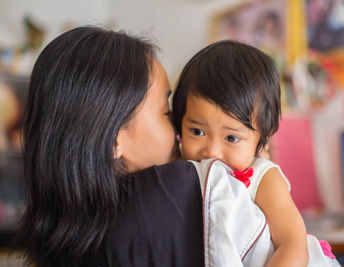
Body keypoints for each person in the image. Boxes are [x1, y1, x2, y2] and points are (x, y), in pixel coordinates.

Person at [14, 26, 204, 267]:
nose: (179, 124)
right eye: (166, 111)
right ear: (113, 140)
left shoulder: (55, 238)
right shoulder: (177, 189)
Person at [172, 40, 340, 267]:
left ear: (261, 143)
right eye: (197, 131)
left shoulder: (263, 177)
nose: (211, 151)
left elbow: (292, 242)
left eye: (231, 138)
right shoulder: (181, 167)